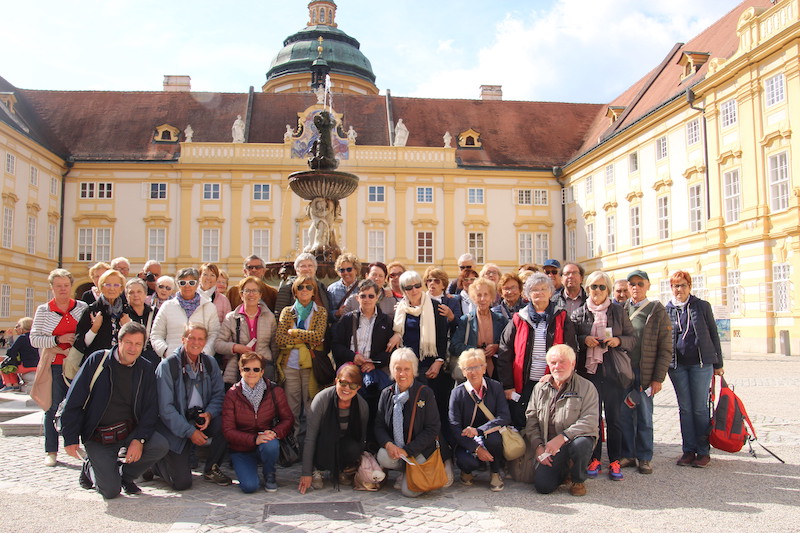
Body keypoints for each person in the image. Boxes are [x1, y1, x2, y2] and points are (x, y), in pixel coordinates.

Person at [59, 322, 169, 498]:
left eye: (138, 344)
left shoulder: (146, 368)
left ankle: (126, 477)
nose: (133, 348)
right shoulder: (98, 361)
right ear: (119, 341)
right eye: (128, 342)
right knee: (110, 492)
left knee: (159, 445)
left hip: (128, 431)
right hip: (98, 435)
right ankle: (90, 467)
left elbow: (150, 409)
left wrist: (139, 440)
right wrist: (70, 437)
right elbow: (74, 400)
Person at [571, 271, 635, 481]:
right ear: (587, 289)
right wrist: (584, 339)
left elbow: (632, 339)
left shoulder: (618, 311)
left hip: (613, 371)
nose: (597, 291)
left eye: (601, 287)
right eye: (593, 287)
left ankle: (615, 460)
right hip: (589, 373)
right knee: (593, 418)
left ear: (608, 289)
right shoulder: (580, 313)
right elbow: (571, 340)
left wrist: (618, 341)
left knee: (615, 419)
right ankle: (594, 458)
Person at [154, 323, 231, 489]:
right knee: (182, 483)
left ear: (205, 342)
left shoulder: (210, 364)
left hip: (201, 419)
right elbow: (165, 409)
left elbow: (219, 395)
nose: (196, 342)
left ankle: (211, 468)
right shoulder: (168, 367)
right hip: (176, 425)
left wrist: (209, 414)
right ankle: (155, 464)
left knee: (226, 423)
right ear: (183, 340)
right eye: (192, 338)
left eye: (200, 339)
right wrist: (189, 432)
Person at [497, 272, 577, 429]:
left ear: (550, 292)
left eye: (543, 289)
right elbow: (504, 351)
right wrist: (507, 385)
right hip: (525, 381)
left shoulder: (561, 316)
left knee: (551, 421)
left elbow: (571, 350)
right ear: (527, 294)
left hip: (553, 380)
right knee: (523, 420)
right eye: (534, 289)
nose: (539, 293)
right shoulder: (519, 318)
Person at [374, 348, 453, 497]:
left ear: (413, 370)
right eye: (398, 369)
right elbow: (379, 426)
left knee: (409, 492)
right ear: (392, 370)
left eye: (406, 369)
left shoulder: (425, 393)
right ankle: (405, 472)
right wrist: (388, 444)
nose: (402, 374)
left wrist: (408, 450)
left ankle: (436, 466)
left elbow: (432, 428)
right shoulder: (386, 393)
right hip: (397, 451)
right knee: (383, 456)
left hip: (421, 450)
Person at [30, 268, 89, 467]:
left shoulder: (81, 307)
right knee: (52, 407)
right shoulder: (44, 310)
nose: (62, 289)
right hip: (54, 365)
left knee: (78, 406)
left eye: (66, 286)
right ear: (52, 288)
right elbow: (34, 338)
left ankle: (75, 444)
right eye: (58, 286)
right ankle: (51, 451)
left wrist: (75, 344)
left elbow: (89, 333)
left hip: (77, 364)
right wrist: (58, 339)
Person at [665, 270, 723, 468]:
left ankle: (703, 451)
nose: (678, 289)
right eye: (675, 286)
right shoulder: (668, 309)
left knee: (699, 408)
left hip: (701, 364)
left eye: (682, 285)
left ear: (689, 286)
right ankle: (688, 450)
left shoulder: (701, 306)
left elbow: (714, 334)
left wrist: (718, 364)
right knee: (685, 409)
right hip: (677, 366)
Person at [525, 344, 599, 497]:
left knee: (582, 444)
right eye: (553, 363)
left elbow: (589, 420)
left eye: (562, 362)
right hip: (549, 445)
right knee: (543, 486)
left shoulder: (587, 387)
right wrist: (538, 446)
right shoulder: (540, 387)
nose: (557, 366)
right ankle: (564, 470)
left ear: (572, 364)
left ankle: (578, 479)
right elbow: (531, 419)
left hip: (572, 440)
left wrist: (563, 437)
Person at [619, 270, 672, 475]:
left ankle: (645, 457)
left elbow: (665, 347)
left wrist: (658, 378)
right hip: (624, 372)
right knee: (624, 414)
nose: (635, 288)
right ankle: (628, 454)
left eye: (640, 284)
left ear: (648, 285)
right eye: (632, 284)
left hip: (644, 372)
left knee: (644, 416)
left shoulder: (656, 310)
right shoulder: (622, 308)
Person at [387, 271, 453, 435]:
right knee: (408, 407)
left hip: (428, 365)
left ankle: (434, 445)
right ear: (403, 290)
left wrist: (439, 362)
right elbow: (398, 330)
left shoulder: (435, 307)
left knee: (428, 407)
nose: (414, 290)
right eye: (409, 287)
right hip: (406, 367)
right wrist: (397, 334)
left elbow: (442, 338)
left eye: (417, 285)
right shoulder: (400, 309)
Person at [222, 351, 294, 493]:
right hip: (241, 448)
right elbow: (228, 430)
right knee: (250, 487)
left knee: (271, 444)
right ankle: (248, 468)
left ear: (262, 372)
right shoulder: (232, 394)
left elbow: (288, 419)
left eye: (256, 369)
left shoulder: (274, 391)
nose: (251, 373)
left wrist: (274, 432)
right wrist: (254, 439)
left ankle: (269, 474)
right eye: (246, 369)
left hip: (266, 441)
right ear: (240, 370)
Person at [331, 279, 394, 440]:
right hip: (351, 368)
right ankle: (349, 439)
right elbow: (336, 345)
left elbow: (390, 351)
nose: (367, 299)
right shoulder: (347, 319)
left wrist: (372, 363)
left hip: (372, 371)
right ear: (357, 297)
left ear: (378, 297)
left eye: (370, 296)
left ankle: (371, 440)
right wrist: (353, 357)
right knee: (350, 406)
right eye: (363, 295)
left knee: (374, 405)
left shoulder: (386, 321)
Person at [298, 363, 369, 493]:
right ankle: (316, 470)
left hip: (342, 443)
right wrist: (306, 473)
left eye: (352, 385)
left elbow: (361, 438)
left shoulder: (362, 406)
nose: (347, 388)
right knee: (318, 439)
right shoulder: (321, 400)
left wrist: (357, 463)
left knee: (354, 447)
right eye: (343, 383)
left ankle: (340, 469)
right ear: (336, 381)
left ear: (358, 388)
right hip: (322, 442)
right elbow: (310, 438)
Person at [448, 348, 510, 492]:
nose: (473, 372)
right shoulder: (457, 393)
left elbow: (504, 416)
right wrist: (476, 448)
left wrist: (479, 431)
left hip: (488, 434)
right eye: (468, 368)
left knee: (494, 440)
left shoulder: (495, 387)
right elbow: (454, 426)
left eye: (477, 367)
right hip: (466, 439)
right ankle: (467, 472)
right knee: (467, 461)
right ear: (463, 372)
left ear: (484, 368)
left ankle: (495, 473)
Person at [276, 276, 329, 438]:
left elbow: (318, 336)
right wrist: (303, 340)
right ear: (295, 292)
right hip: (290, 365)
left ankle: (310, 441)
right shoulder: (287, 312)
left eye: (308, 287)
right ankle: (293, 441)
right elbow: (280, 339)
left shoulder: (320, 312)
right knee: (291, 406)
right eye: (300, 287)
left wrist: (295, 333)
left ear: (314, 292)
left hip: (310, 366)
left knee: (310, 403)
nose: (304, 290)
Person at [216, 276, 279, 386]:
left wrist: (275, 366)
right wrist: (236, 348)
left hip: (264, 368)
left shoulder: (269, 317)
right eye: (247, 291)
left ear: (260, 295)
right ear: (241, 295)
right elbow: (218, 344)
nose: (251, 294)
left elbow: (274, 346)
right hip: (239, 369)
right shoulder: (231, 318)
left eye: (255, 291)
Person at [150, 267, 219, 359]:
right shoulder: (167, 306)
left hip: (200, 362)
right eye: (183, 283)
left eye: (191, 283)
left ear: (197, 284)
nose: (187, 286)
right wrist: (166, 351)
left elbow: (214, 334)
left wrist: (204, 353)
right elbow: (156, 334)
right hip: (172, 361)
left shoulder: (209, 307)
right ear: (177, 284)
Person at [450, 278, 508, 380]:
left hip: (496, 371)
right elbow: (454, 346)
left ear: (492, 297)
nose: (482, 299)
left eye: (486, 294)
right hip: (472, 372)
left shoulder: (501, 320)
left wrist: (497, 347)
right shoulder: (466, 320)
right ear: (473, 298)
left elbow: (508, 345)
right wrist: (475, 352)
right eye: (479, 295)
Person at [73, 269, 127, 365]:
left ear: (121, 289)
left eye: (116, 285)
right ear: (101, 287)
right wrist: (94, 329)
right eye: (108, 285)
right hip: (97, 364)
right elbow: (80, 344)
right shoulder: (91, 310)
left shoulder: (126, 311)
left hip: (121, 364)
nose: (112, 289)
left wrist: (128, 326)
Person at [274, 253, 330, 319]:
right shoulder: (287, 289)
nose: (307, 269)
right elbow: (279, 315)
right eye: (303, 266)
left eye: (310, 266)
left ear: (315, 269)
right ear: (297, 269)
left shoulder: (321, 287)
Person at [122, 278, 158, 365]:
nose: (135, 295)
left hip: (152, 361)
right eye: (131, 292)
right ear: (126, 296)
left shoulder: (156, 313)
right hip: (129, 360)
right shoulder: (123, 315)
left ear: (145, 294)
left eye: (139, 292)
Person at [4, 318, 38, 393]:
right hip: (38, 365)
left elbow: (11, 352)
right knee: (11, 365)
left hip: (27, 366)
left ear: (23, 327)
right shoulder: (35, 337)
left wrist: (10, 338)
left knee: (4, 366)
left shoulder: (22, 337)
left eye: (17, 326)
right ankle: (15, 384)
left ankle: (9, 385)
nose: (15, 329)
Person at [423, 266, 462, 332]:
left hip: (443, 340)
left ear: (443, 285)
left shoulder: (452, 302)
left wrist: (451, 317)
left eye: (437, 281)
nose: (432, 283)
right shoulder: (420, 300)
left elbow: (459, 325)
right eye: (429, 280)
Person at [328, 252, 361, 321]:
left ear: (356, 270)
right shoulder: (332, 289)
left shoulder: (363, 288)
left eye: (349, 269)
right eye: (342, 270)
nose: (346, 272)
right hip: (340, 328)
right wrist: (337, 313)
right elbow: (327, 312)